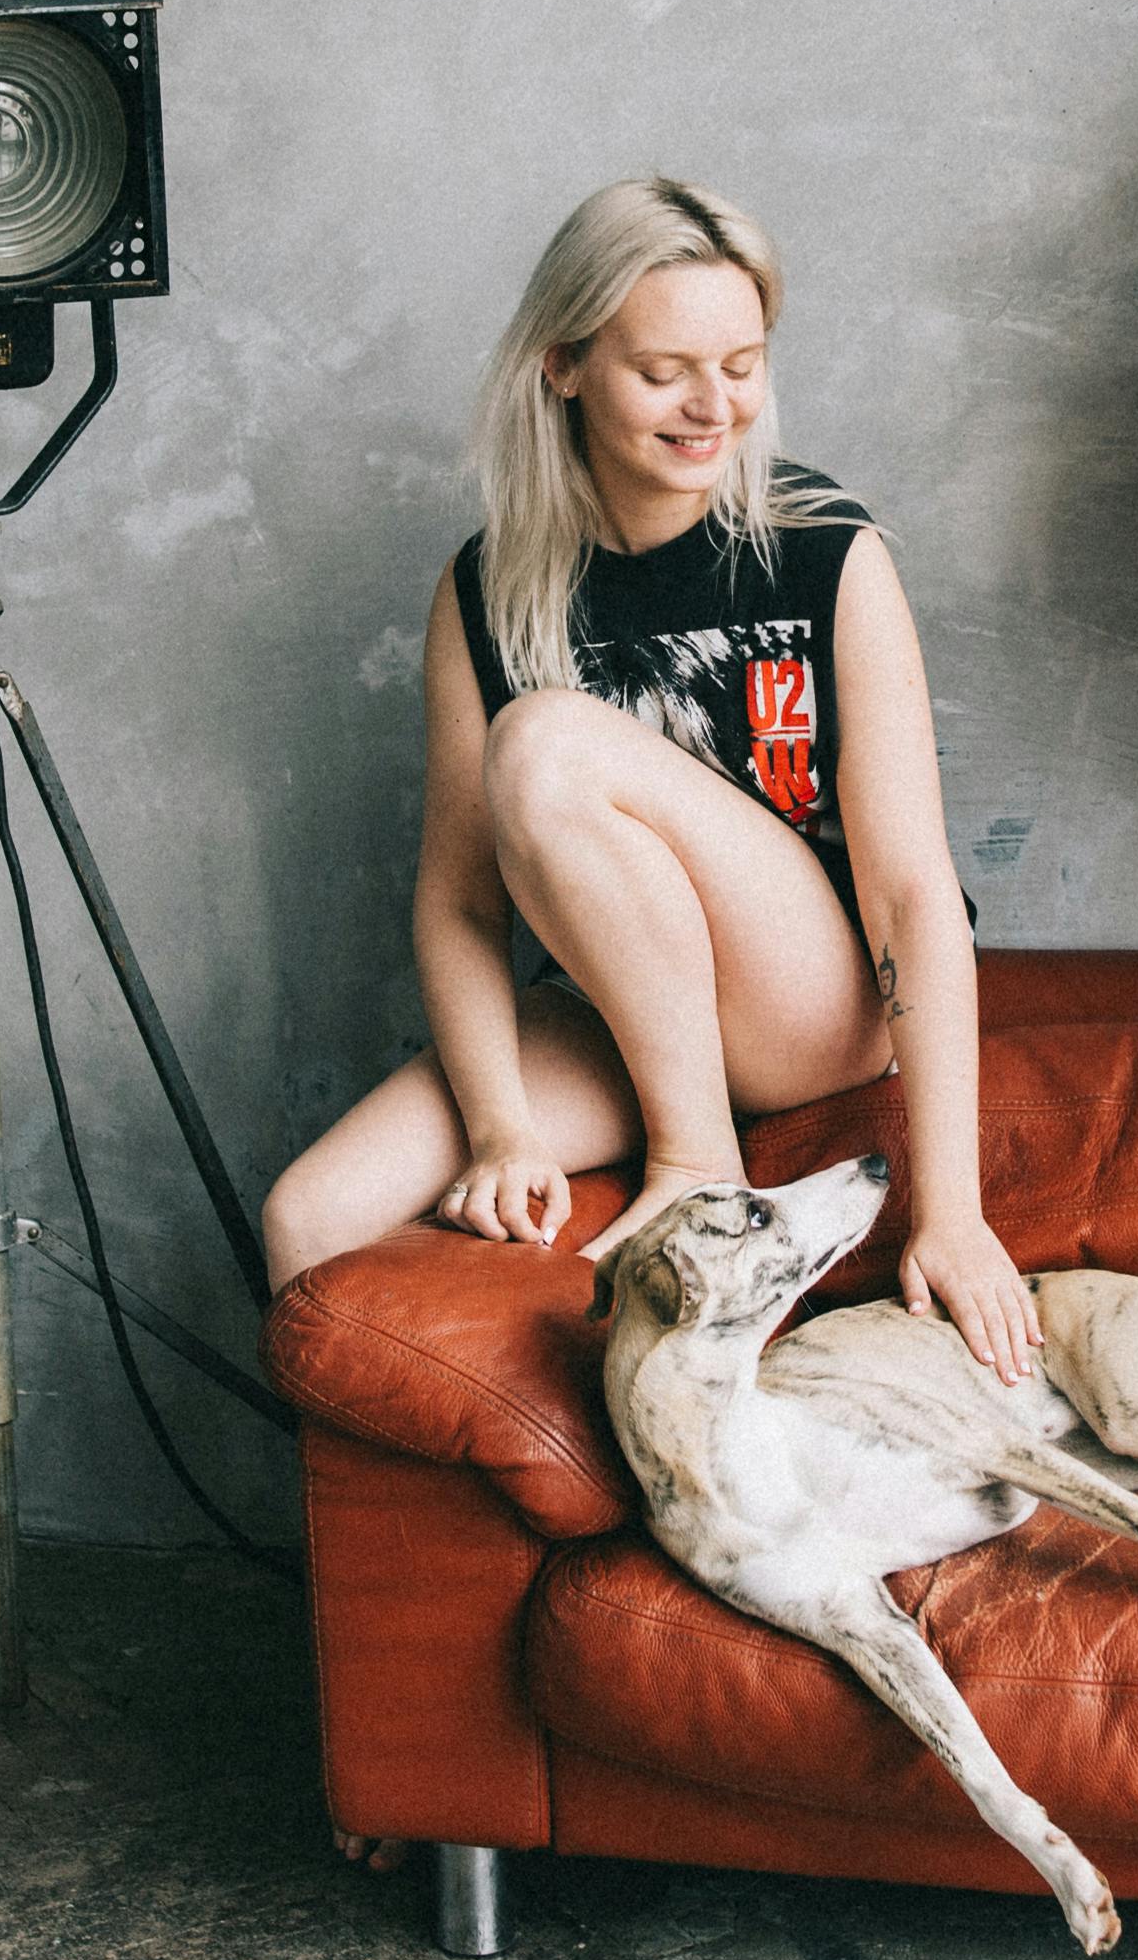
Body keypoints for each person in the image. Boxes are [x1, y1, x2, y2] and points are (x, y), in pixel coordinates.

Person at [258, 177, 1034, 1388]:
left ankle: (700, 1164)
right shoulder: (487, 589)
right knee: (309, 1219)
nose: (712, 404)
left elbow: (914, 893)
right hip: (625, 1005)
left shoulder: (826, 548)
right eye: (665, 369)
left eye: (741, 361)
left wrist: (956, 1208)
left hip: (811, 1005)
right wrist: (507, 1128)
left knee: (546, 741)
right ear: (564, 364)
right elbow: (461, 903)